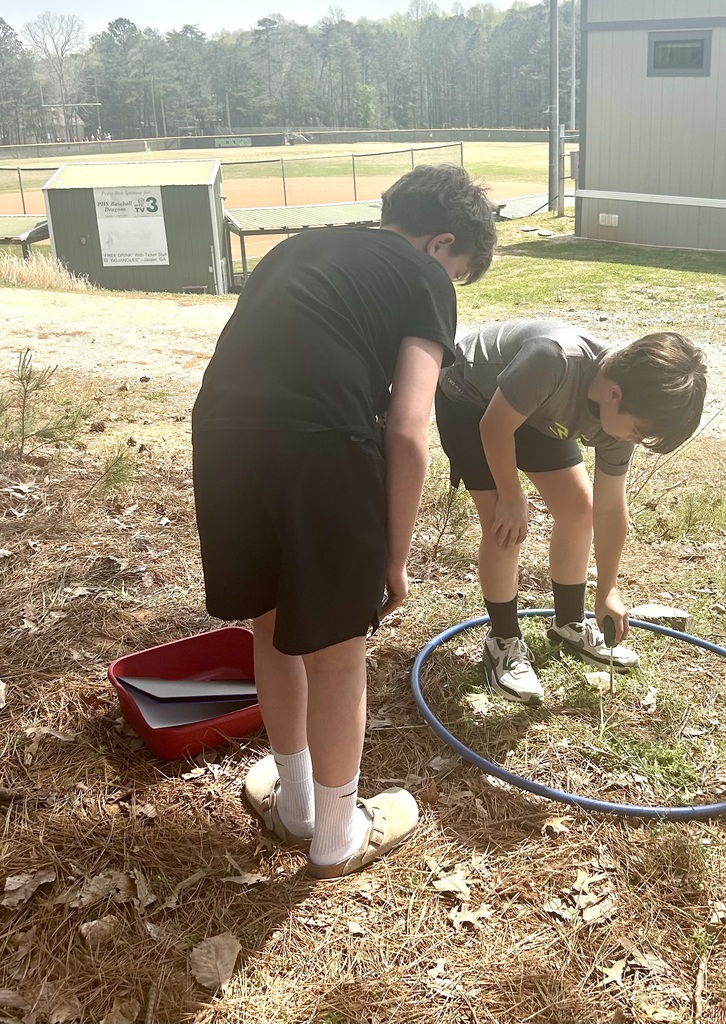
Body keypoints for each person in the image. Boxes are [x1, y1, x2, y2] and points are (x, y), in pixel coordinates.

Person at [191, 164, 497, 878]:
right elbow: (408, 429)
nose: (450, 277)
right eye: (457, 268)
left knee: (271, 625)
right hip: (323, 448)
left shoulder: (298, 246)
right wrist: (394, 559)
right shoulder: (425, 278)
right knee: (337, 653)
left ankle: (295, 804)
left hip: (223, 437)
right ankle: (336, 839)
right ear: (441, 244)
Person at [435, 318, 707, 705]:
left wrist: (607, 589)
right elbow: (495, 427)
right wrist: (511, 496)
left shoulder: (622, 408)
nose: (634, 440)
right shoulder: (554, 360)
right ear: (613, 394)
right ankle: (503, 641)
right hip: (470, 397)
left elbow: (610, 510)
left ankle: (569, 623)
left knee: (579, 510)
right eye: (636, 432)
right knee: (504, 523)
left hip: (535, 409)